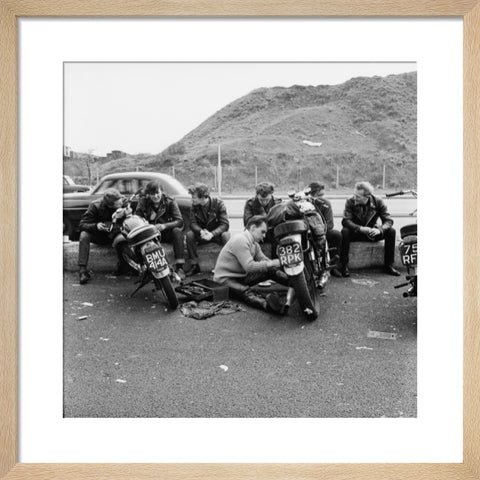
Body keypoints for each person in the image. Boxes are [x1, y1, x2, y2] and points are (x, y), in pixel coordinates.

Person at [213, 215, 287, 314]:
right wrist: (272, 263)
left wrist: (283, 264)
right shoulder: (240, 239)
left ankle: (293, 283)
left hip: (241, 278)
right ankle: (267, 305)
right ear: (253, 228)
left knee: (270, 269)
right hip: (225, 281)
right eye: (263, 232)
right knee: (246, 292)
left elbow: (265, 261)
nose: (264, 236)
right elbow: (249, 267)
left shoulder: (254, 244)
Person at [340, 181, 400, 277]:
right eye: (354, 195)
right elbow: (346, 221)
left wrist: (379, 230)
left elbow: (388, 220)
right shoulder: (350, 201)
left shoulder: (378, 201)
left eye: (358, 196)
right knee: (345, 231)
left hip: (372, 233)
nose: (355, 197)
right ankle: (344, 265)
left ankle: (388, 265)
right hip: (356, 232)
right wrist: (360, 228)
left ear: (367, 197)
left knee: (391, 231)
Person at [77, 188, 131, 285]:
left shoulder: (123, 201)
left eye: (121, 201)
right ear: (110, 205)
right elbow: (82, 225)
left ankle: (125, 266)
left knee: (125, 234)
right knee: (84, 235)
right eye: (118, 204)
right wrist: (96, 226)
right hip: (100, 235)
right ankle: (82, 271)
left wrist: (128, 211)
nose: (121, 204)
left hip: (116, 234)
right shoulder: (95, 206)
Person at [134, 180, 186, 279]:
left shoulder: (170, 201)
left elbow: (179, 221)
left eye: (157, 193)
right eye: (152, 194)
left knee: (177, 231)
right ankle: (143, 267)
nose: (155, 196)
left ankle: (180, 267)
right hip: (150, 234)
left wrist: (164, 226)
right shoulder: (143, 201)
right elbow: (137, 218)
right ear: (148, 194)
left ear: (162, 191)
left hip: (166, 233)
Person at [185, 183, 231, 276]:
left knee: (226, 235)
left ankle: (228, 265)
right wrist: (201, 231)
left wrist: (212, 234)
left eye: (194, 197)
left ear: (202, 197)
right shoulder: (194, 206)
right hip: (202, 234)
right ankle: (195, 265)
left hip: (216, 235)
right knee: (189, 235)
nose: (192, 199)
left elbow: (225, 224)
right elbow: (192, 223)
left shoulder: (218, 203)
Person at [307, 182, 342, 277]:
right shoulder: (303, 203)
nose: (321, 198)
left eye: (323, 195)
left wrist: (319, 232)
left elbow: (329, 224)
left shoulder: (326, 203)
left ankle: (334, 266)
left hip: (322, 231)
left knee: (336, 235)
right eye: (319, 195)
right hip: (306, 232)